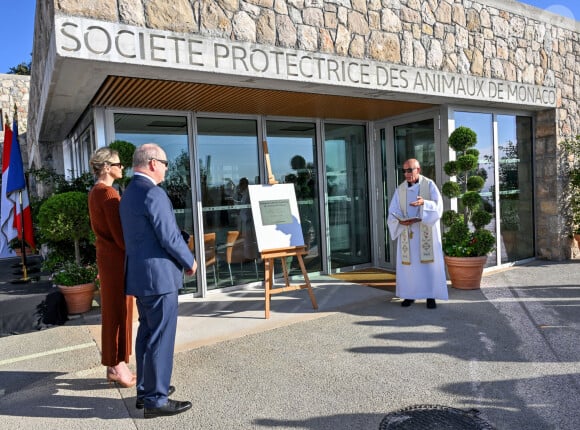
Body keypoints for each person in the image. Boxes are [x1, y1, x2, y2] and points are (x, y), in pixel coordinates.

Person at [119, 143, 197, 419]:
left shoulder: (129, 193)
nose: (166, 167)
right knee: (160, 338)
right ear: (152, 163)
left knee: (147, 335)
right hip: (159, 278)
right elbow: (168, 236)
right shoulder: (153, 192)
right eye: (164, 162)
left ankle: (146, 390)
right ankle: (156, 399)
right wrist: (189, 260)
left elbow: (149, 233)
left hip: (142, 276)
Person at [87, 148, 136, 388]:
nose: (122, 167)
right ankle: (117, 364)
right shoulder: (108, 194)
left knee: (115, 310)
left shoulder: (96, 192)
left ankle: (115, 364)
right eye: (118, 164)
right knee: (118, 312)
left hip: (108, 259)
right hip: (116, 261)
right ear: (106, 167)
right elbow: (121, 237)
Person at [387, 158, 448, 309]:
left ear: (418, 170)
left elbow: (439, 207)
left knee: (428, 266)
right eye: (404, 171)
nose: (406, 174)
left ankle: (430, 296)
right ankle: (409, 295)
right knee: (409, 267)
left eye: (410, 170)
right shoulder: (400, 189)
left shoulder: (429, 184)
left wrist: (424, 204)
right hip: (407, 233)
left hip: (425, 233)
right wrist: (400, 221)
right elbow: (392, 211)